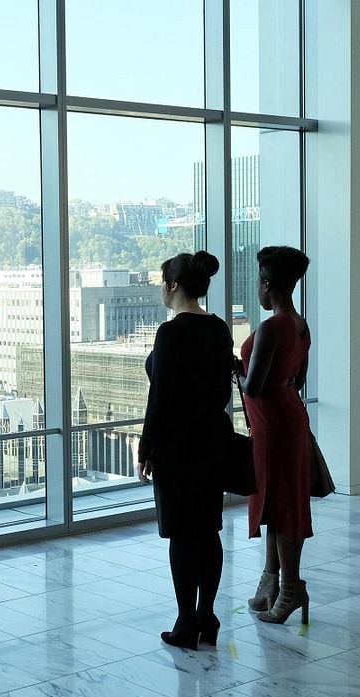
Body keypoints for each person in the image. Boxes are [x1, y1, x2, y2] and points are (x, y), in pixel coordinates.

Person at [138, 251, 234, 650]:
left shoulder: (171, 332)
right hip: (214, 439)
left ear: (173, 286)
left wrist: (146, 446)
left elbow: (159, 397)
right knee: (209, 531)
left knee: (181, 535)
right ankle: (207, 617)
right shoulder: (220, 328)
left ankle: (185, 622)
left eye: (163, 282)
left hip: (178, 446)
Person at [236, 246, 312, 625]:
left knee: (280, 507)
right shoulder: (299, 324)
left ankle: (290, 589)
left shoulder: (270, 327)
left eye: (259, 285)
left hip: (272, 424)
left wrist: (236, 371)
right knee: (279, 501)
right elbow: (298, 379)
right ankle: (272, 582)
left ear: (267, 285)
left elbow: (252, 387)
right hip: (290, 415)